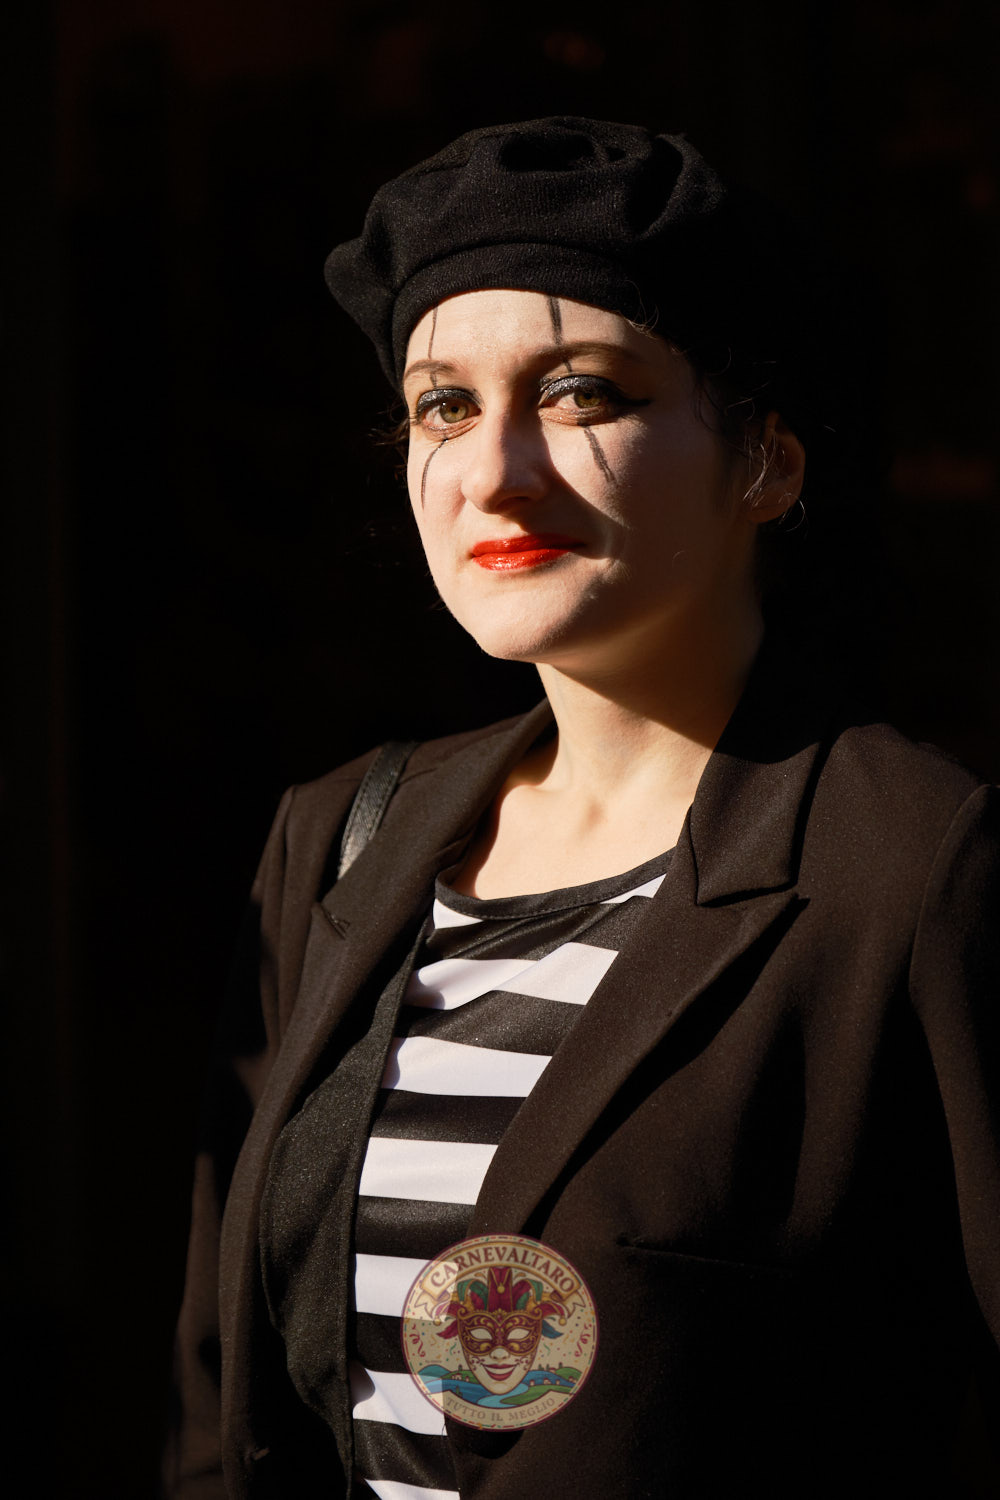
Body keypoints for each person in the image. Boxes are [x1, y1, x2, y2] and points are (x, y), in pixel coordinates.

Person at [166, 119, 1000, 1500]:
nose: (494, 472)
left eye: (581, 395)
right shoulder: (338, 838)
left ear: (767, 462)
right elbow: (219, 1407)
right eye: (443, 406)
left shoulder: (913, 868)